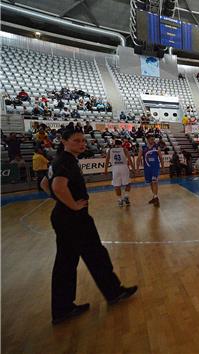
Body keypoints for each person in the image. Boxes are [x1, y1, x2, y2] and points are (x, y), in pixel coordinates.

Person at [39, 128, 137, 325]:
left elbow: (44, 184)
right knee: (96, 255)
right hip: (74, 219)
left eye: (83, 141)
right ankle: (113, 292)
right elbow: (58, 186)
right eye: (76, 141)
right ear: (64, 141)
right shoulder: (66, 161)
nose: (82, 144)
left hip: (64, 217)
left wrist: (60, 202)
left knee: (65, 263)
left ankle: (62, 309)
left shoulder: (58, 160)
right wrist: (73, 205)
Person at [104, 139, 135, 207]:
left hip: (115, 168)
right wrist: (133, 169)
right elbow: (129, 160)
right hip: (124, 167)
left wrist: (105, 170)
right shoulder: (124, 149)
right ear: (121, 144)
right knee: (127, 183)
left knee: (117, 185)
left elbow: (106, 160)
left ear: (115, 144)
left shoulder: (110, 150)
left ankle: (120, 200)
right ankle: (126, 196)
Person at [138, 134, 164, 206]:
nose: (153, 141)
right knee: (151, 183)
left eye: (154, 139)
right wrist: (137, 168)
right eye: (151, 139)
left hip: (155, 167)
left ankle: (156, 197)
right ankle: (154, 196)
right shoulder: (143, 148)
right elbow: (139, 158)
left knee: (154, 182)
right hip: (147, 168)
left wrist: (163, 167)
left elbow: (161, 158)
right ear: (147, 139)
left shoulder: (156, 147)